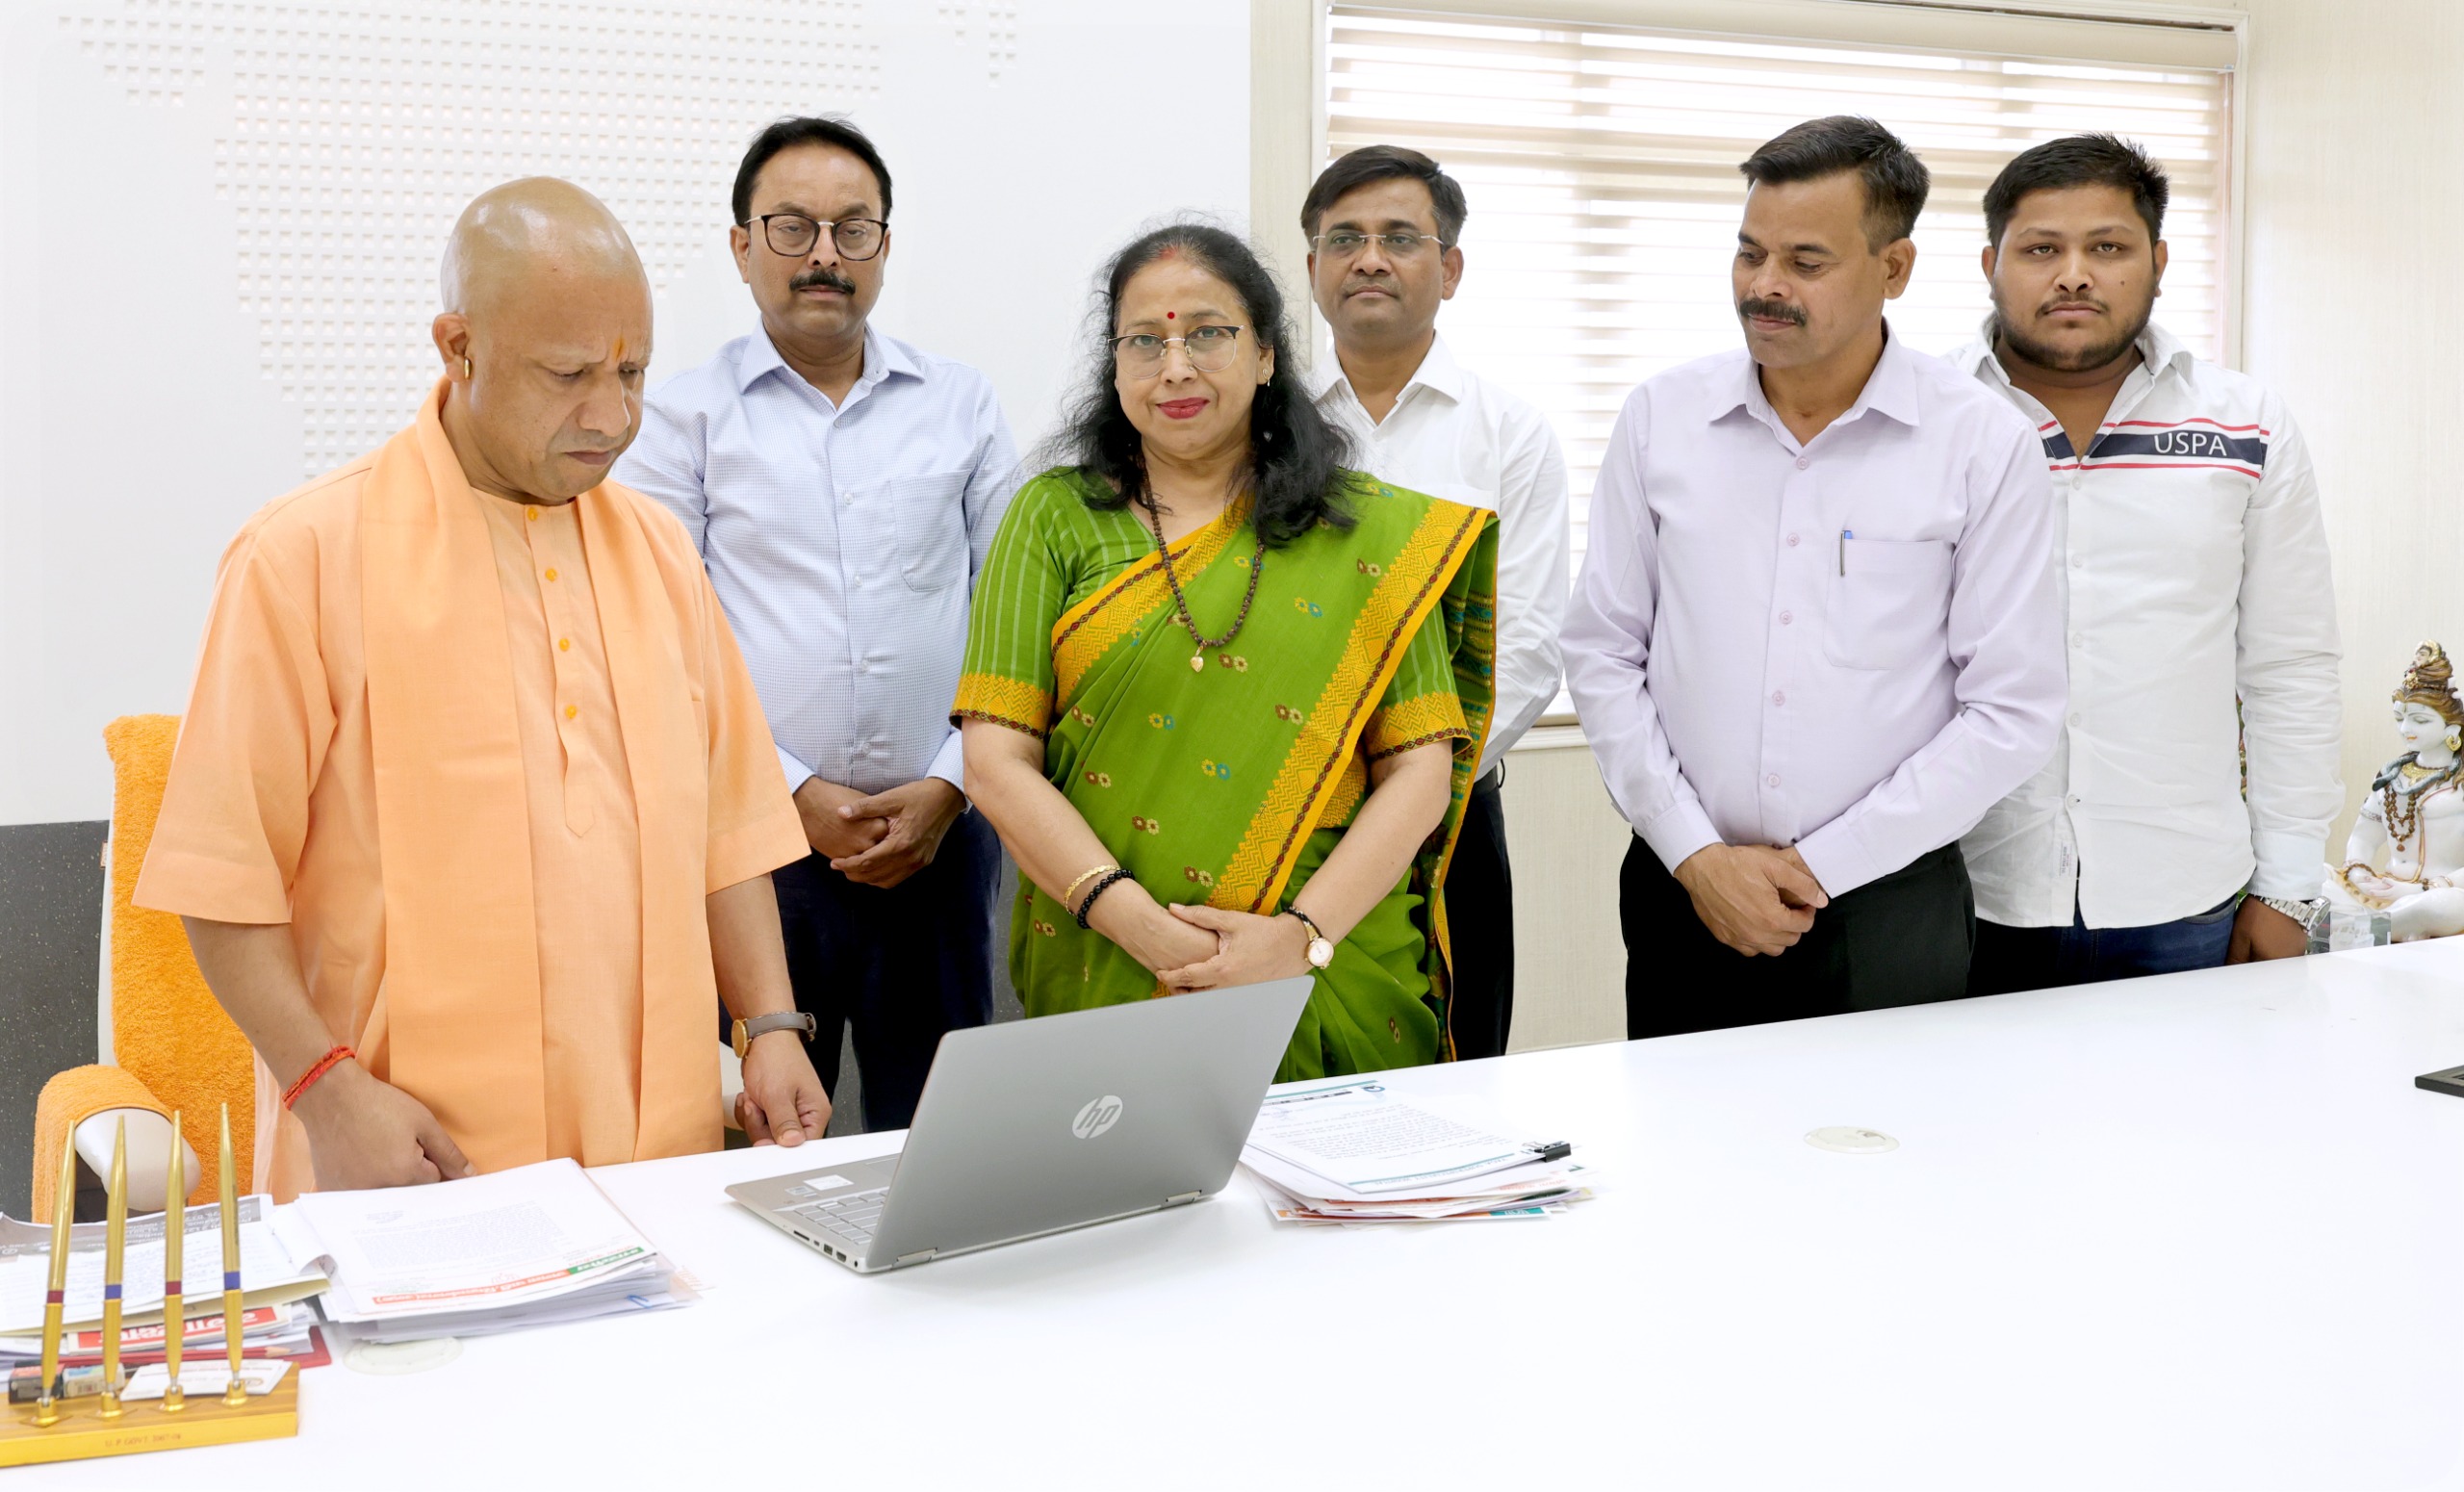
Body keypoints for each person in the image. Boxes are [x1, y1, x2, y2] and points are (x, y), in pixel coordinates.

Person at [136, 179, 829, 1197]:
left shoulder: (661, 554)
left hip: (657, 1164)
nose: (613, 416)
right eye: (569, 373)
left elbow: (730, 832)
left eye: (632, 372)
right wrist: (327, 1093)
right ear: (457, 348)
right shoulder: (301, 556)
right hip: (405, 1163)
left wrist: (769, 1026)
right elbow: (221, 882)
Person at [954, 223, 1497, 1079]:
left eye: (1208, 334)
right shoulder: (1053, 517)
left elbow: (1420, 769)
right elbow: (994, 763)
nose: (1175, 367)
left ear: (1267, 355)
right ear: (1114, 366)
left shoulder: (1367, 533)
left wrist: (1299, 939)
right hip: (1106, 961)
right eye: (1144, 341)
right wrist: (1144, 930)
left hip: (1327, 974)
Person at [1561, 116, 2065, 1039]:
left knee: (1891, 1129)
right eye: (1749, 253)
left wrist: (1823, 867)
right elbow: (1602, 651)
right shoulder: (1661, 418)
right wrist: (1696, 854)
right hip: (1686, 888)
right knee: (1681, 1128)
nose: (1765, 286)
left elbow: (2013, 709)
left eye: (1805, 261)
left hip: (1885, 902)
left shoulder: (1981, 443)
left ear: (1895, 268)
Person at [615, 117, 1019, 1131]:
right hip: (756, 854)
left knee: (939, 1134)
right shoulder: (681, 419)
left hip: (940, 839)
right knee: (762, 1131)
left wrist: (951, 783)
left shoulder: (961, 404)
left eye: (853, 228)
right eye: (792, 228)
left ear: (884, 243)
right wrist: (789, 791)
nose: (825, 255)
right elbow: (664, 642)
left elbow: (1014, 617)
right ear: (741, 245)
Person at [1954, 135, 2341, 990]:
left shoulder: (2245, 424)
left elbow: (2290, 666)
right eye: (2041, 249)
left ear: (2158, 263)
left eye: (2108, 247)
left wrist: (2288, 886)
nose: (2074, 276)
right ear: (1991, 265)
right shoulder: (1923, 417)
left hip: (2184, 899)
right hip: (1964, 890)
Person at [1301, 144, 1571, 1062]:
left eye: (1399, 237)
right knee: (1285, 1068)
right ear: (1313, 268)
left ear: (1450, 269)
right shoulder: (1261, 428)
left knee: (1458, 1065)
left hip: (1454, 819)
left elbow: (1527, 646)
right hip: (1282, 813)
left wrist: (1414, 783)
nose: (1369, 259)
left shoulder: (1510, 434)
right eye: (1344, 239)